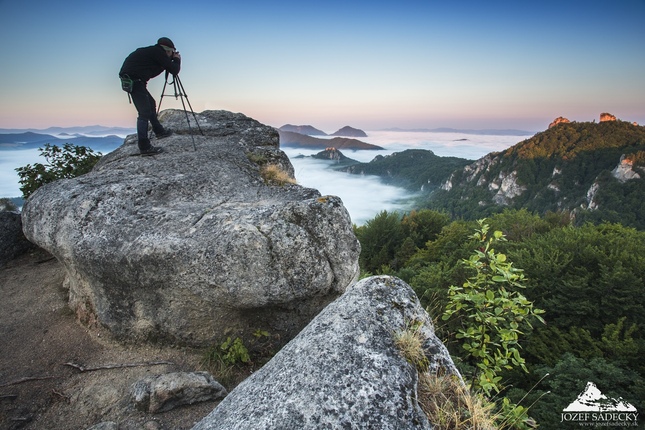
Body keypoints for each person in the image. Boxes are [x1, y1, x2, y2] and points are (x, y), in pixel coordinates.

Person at [119, 37, 181, 155]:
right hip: (135, 81)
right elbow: (174, 70)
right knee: (144, 113)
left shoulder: (153, 51)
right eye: (171, 52)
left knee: (150, 104)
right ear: (168, 50)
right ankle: (144, 147)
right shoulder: (159, 53)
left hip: (134, 80)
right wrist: (177, 60)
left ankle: (159, 131)